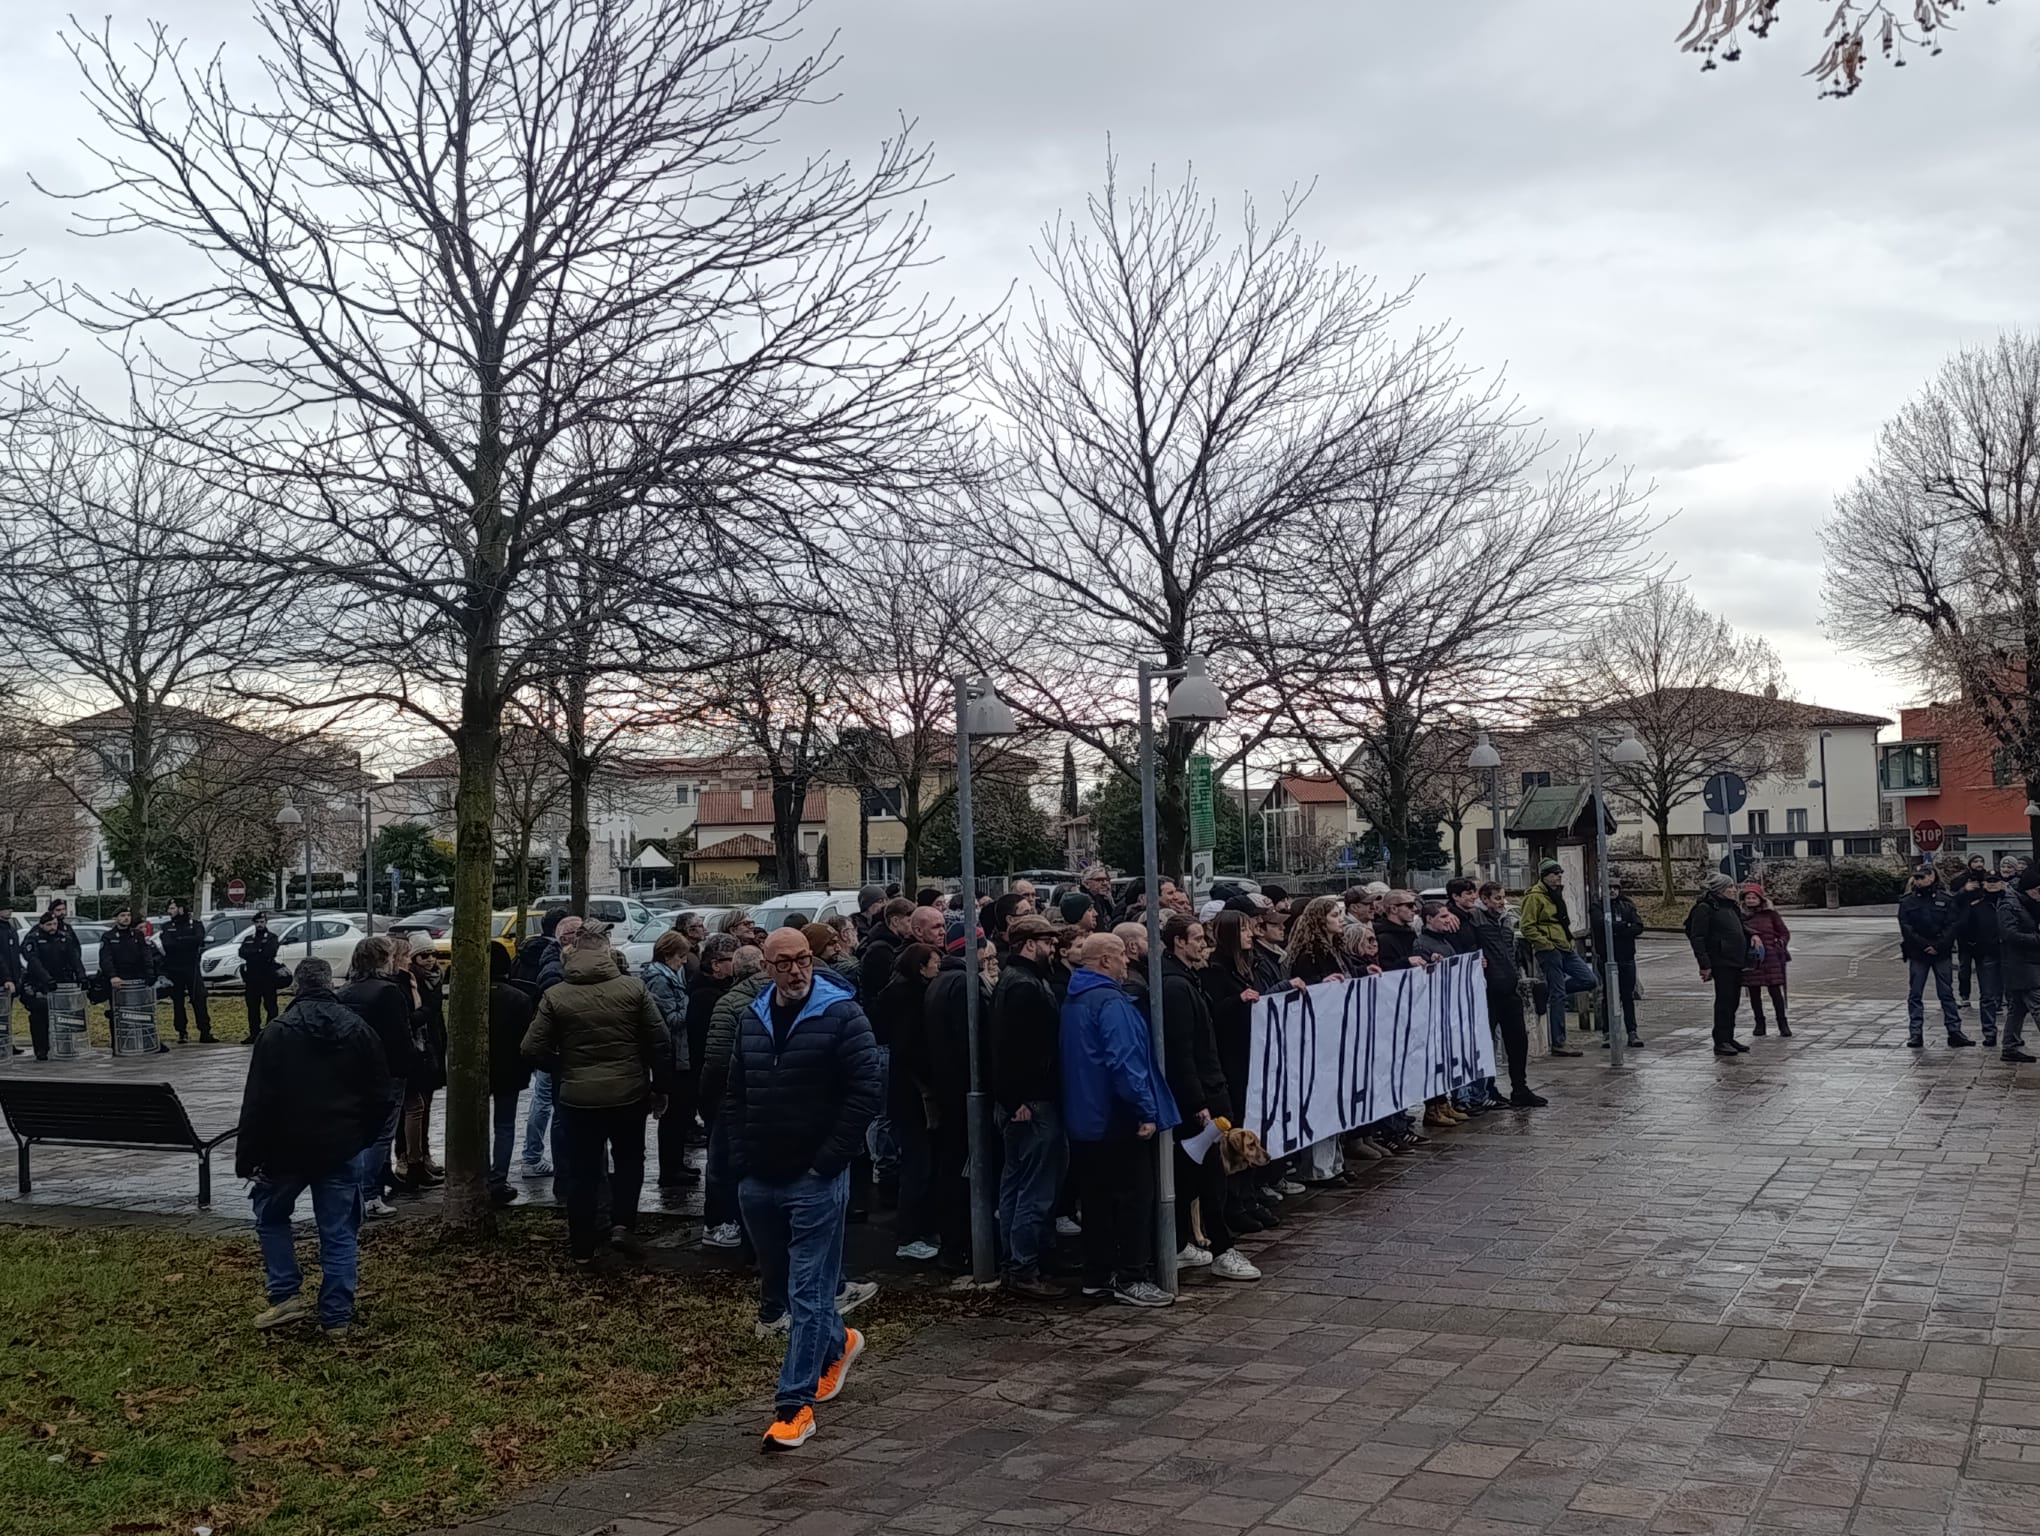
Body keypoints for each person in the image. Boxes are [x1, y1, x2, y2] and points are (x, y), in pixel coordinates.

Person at [724, 926, 881, 1451]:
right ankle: (839, 1341)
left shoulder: (843, 1015)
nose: (796, 971)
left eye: (804, 960)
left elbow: (866, 1090)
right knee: (783, 1281)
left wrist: (829, 1160)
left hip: (815, 1179)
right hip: (759, 1177)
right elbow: (734, 1091)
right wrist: (741, 1158)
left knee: (808, 1292)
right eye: (785, 962)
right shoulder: (752, 1018)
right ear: (766, 968)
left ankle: (793, 1407)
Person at [238, 957, 391, 1338]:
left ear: (296, 987)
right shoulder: (359, 1030)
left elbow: (257, 1101)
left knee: (271, 1217)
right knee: (339, 1231)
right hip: (341, 1146)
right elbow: (380, 1096)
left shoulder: (276, 1032)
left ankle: (285, 1292)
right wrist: (362, 1138)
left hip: (285, 1149)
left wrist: (248, 1158)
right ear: (331, 983)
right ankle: (336, 1316)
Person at [521, 925, 671, 1265]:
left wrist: (563, 1066)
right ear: (606, 952)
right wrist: (660, 1086)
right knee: (630, 1160)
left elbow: (530, 1048)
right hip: (629, 1093)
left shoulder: (556, 995)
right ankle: (622, 1225)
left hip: (578, 1098)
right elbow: (660, 1041)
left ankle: (582, 1247)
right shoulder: (633, 988)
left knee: (583, 1170)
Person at [1060, 931, 1177, 1307]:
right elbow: (1125, 1060)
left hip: (1085, 1118)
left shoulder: (1074, 999)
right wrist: (1145, 1110)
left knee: (1096, 1201)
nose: (1128, 961)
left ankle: (1098, 1275)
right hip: (1115, 1116)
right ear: (1105, 961)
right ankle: (1131, 1277)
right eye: (1122, 955)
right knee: (1134, 1198)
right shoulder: (1110, 1002)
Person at [1158, 916, 1260, 1283]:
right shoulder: (1176, 987)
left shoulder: (1187, 980)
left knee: (1193, 1176)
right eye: (1198, 938)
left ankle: (1181, 1243)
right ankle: (1221, 1249)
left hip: (1207, 1089)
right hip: (1201, 1099)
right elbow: (1182, 1051)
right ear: (1178, 942)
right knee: (1209, 1176)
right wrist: (1198, 1102)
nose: (1204, 944)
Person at [988, 915, 1068, 1299]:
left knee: (1017, 1186)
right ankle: (1023, 1267)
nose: (1053, 949)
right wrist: (1016, 1099)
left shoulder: (1016, 980)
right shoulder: (1024, 986)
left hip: (1022, 1101)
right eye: (1047, 943)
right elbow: (1011, 1048)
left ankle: (1016, 1263)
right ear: (1030, 944)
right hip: (1031, 1103)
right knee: (1034, 1189)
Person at [337, 936, 414, 1215]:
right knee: (381, 1135)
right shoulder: (388, 992)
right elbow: (400, 1036)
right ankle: (369, 1193)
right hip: (387, 1072)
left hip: (353, 1071)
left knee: (359, 1133)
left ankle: (355, 1190)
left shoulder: (345, 992)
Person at [875, 943, 941, 1261]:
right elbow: (909, 1047)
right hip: (913, 1095)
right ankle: (909, 1236)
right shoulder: (910, 998)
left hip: (905, 1092)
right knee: (917, 1166)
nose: (938, 969)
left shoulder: (896, 991)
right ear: (921, 966)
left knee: (918, 1163)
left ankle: (918, 1229)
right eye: (935, 963)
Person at [1462, 880, 1545, 1108]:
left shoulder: (1505, 920)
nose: (1502, 902)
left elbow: (1511, 952)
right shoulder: (1475, 920)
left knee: (1518, 1040)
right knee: (1487, 1043)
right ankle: (1488, 1089)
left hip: (1509, 988)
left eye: (1503, 897)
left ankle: (1520, 1087)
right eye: (1497, 898)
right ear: (1484, 899)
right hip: (1488, 990)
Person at [1518, 862, 1594, 1056]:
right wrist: (1545, 944)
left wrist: (1567, 941)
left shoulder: (1555, 894)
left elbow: (1561, 922)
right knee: (1558, 996)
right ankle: (1559, 1042)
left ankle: (1548, 990)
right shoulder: (1534, 897)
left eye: (1560, 872)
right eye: (1554, 873)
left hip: (1564, 947)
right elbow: (1526, 926)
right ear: (1544, 876)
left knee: (1589, 979)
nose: (1559, 876)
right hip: (1550, 949)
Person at [643, 931, 698, 1190]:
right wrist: (690, 1002)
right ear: (667, 955)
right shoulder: (659, 980)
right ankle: (669, 1169)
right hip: (672, 1054)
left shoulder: (672, 976)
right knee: (672, 1115)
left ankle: (676, 1164)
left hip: (680, 1052)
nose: (684, 961)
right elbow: (671, 1019)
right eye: (680, 956)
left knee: (680, 1113)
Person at [1898, 863, 1973, 1050]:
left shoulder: (1945, 899)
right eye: (1917, 877)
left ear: (1932, 877)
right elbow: (1906, 928)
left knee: (1946, 993)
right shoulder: (1908, 901)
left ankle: (1954, 1031)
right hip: (1918, 953)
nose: (1919, 880)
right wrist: (1924, 945)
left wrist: (1939, 945)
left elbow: (1952, 925)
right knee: (1915, 994)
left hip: (1941, 953)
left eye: (1923, 877)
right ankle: (1916, 1033)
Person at [486, 944, 537, 1207]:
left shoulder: (472, 996)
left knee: (476, 1125)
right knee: (505, 1126)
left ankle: (476, 1173)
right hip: (510, 1069)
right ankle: (498, 1178)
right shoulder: (519, 998)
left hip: (479, 1070)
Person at [1685, 872, 1751, 1058]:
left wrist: (1753, 936)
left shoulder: (1731, 907)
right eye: (1729, 887)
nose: (1733, 890)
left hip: (1736, 959)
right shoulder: (1705, 908)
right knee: (1724, 1001)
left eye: (1733, 886)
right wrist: (1704, 964)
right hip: (1721, 960)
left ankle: (1729, 1037)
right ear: (1719, 889)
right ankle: (1721, 1040)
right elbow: (1697, 937)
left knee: (1733, 1001)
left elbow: (1741, 928)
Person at [19, 906, 86, 1061]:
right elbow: (33, 961)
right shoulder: (34, 938)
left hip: (62, 983)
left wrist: (81, 976)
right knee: (39, 1017)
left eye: (54, 924)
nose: (52, 927)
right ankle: (41, 1049)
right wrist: (46, 979)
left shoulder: (64, 938)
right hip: (39, 984)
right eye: (49, 924)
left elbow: (74, 958)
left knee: (65, 1016)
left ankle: (66, 1046)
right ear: (42, 925)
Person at [1587, 876, 1646, 1049]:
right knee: (1608, 996)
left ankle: (1632, 1031)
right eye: (1609, 887)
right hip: (1606, 958)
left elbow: (1638, 926)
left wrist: (1618, 929)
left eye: (1615, 887)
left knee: (1628, 996)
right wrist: (1623, 927)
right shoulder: (1597, 906)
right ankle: (1607, 1032)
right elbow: (1601, 926)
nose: (1612, 891)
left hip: (1627, 957)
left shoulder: (1627, 905)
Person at [1995, 864, 2040, 1064]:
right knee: (2037, 1005)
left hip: (2028, 961)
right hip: (2020, 964)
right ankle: (2010, 1046)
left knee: (2018, 1008)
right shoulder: (2009, 904)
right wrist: (2037, 939)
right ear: (2030, 888)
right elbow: (2009, 934)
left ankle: (2010, 1046)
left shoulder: (2028, 903)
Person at [1739, 885, 1793, 1038]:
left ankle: (1782, 1024)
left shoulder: (1771, 914)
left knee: (1775, 991)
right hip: (1752, 959)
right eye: (1748, 898)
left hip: (1771, 958)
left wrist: (1780, 943)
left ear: (1760, 899)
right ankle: (1759, 1023)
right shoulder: (1740, 916)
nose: (1751, 900)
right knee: (1754, 992)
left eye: (1754, 898)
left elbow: (1784, 932)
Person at [158, 897, 215, 1044]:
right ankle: (181, 1032)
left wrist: (180, 940)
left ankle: (205, 1031)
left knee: (199, 998)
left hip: (191, 967)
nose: (169, 911)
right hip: (174, 968)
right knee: (178, 1001)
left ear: (181, 909)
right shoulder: (167, 926)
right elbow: (168, 944)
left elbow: (198, 939)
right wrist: (186, 940)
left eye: (172, 908)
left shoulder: (195, 924)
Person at [97, 905, 156, 1029]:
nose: (126, 918)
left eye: (128, 915)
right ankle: (118, 1039)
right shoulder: (109, 936)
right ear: (115, 918)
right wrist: (112, 975)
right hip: (119, 980)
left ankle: (141, 1036)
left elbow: (146, 954)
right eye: (122, 915)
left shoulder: (137, 935)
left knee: (140, 1011)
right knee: (118, 1013)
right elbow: (106, 959)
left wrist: (149, 972)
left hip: (137, 978)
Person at [1969, 867, 2008, 1050]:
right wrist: (1976, 948)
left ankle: (2012, 1034)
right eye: (1989, 882)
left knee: (2014, 997)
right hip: (1986, 955)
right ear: (1984, 884)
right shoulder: (1977, 906)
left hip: (2010, 955)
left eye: (1995, 881)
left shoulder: (2011, 903)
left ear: (2002, 883)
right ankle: (1989, 1033)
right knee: (1988, 996)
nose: (1992, 885)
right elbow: (1967, 931)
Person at [238, 913, 284, 1043]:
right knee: (252, 1007)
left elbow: (269, 953)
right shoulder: (249, 938)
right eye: (257, 922)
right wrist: (257, 951)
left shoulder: (272, 937)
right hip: (252, 979)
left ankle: (270, 1033)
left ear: (266, 922)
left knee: (271, 1006)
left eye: (262, 922)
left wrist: (254, 953)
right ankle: (254, 1033)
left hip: (267, 978)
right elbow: (242, 952)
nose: (259, 924)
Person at [0, 902, 18, 1049]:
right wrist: (6, 977)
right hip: (3, 979)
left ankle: (7, 1043)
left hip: (12, 978)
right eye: (6, 908)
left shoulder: (11, 928)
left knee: (7, 1012)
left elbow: (15, 954)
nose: (9, 911)